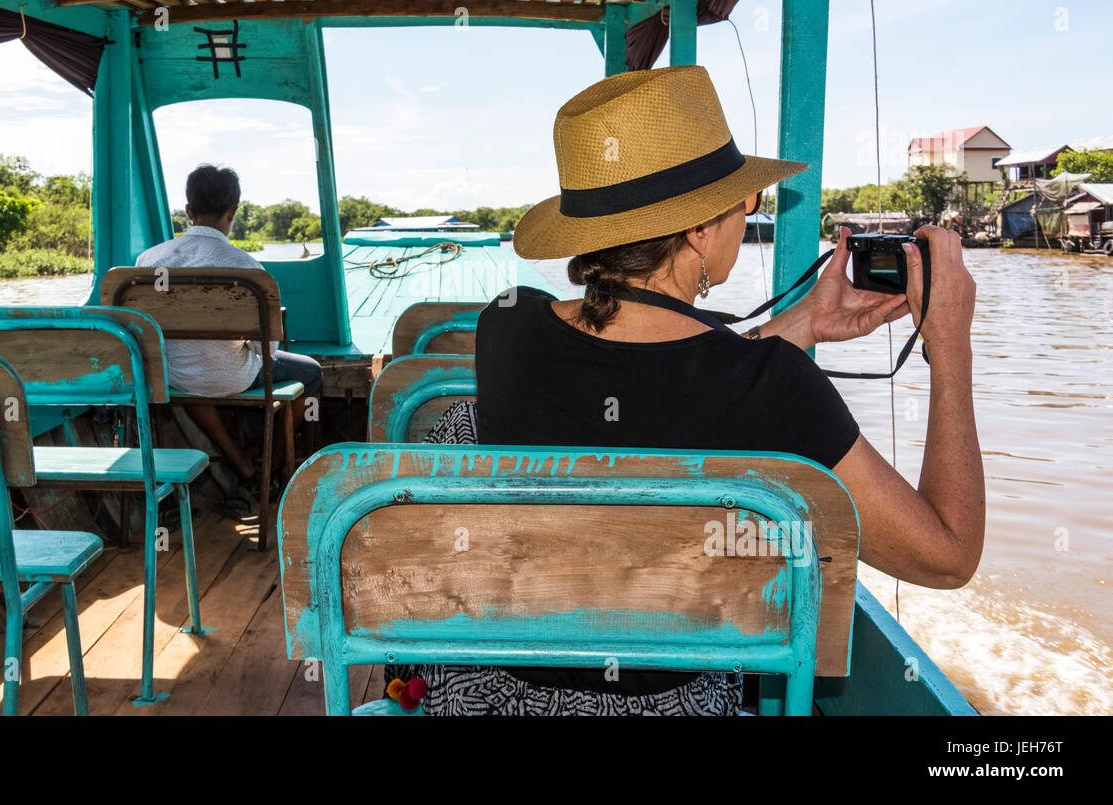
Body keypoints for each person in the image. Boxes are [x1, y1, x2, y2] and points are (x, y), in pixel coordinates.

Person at [407, 66, 984, 716]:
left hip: (490, 696)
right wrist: (951, 344)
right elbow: (947, 553)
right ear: (701, 232)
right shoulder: (774, 390)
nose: (749, 215)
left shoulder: (506, 327)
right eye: (744, 203)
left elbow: (655, 375)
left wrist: (798, 326)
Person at [136, 164, 323, 486]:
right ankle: (272, 461)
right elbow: (269, 348)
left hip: (174, 378)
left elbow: (140, 330)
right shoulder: (248, 267)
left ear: (188, 211)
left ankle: (239, 459)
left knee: (194, 376)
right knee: (311, 373)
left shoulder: (148, 261)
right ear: (233, 211)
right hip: (234, 378)